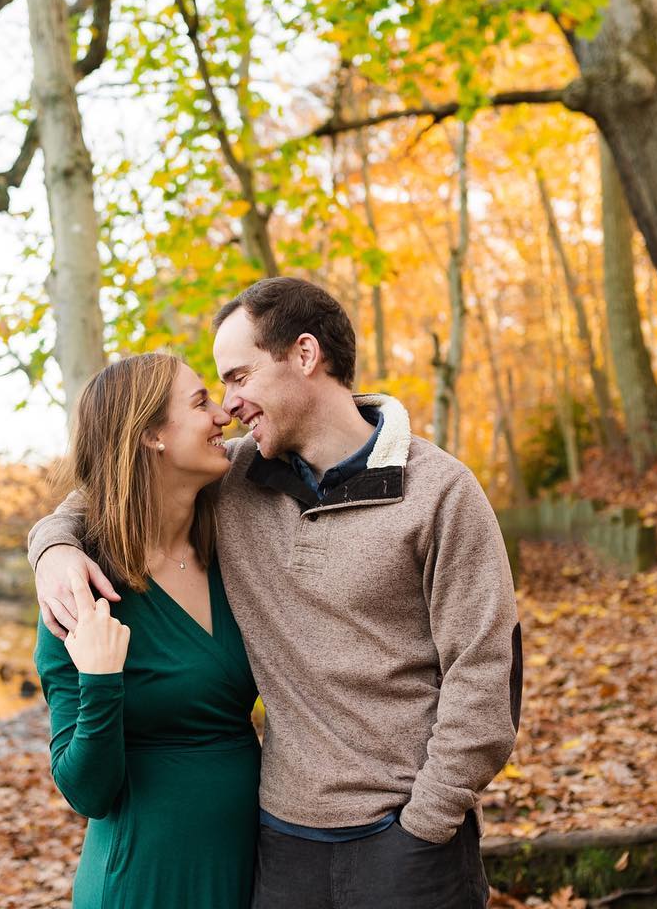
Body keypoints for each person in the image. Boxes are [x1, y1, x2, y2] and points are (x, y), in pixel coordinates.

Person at [31, 277, 522, 908]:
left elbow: (486, 675)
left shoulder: (439, 492)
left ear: (306, 356)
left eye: (238, 377)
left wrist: (426, 821)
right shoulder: (237, 476)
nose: (229, 405)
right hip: (282, 845)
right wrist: (53, 546)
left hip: (407, 840)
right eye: (215, 390)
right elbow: (120, 479)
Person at [32, 352, 261, 909]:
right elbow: (87, 792)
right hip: (145, 881)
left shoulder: (235, 543)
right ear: (152, 434)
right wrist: (101, 679)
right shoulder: (82, 588)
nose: (222, 415)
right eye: (200, 402)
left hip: (254, 867)